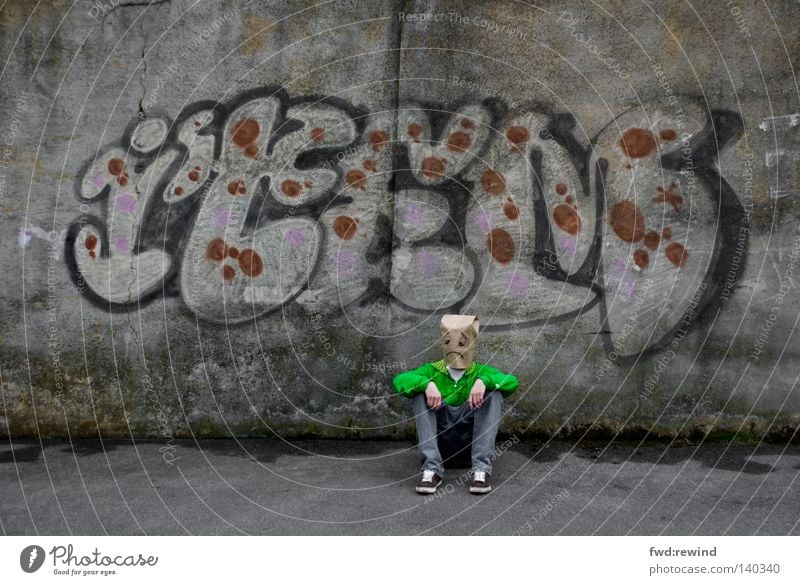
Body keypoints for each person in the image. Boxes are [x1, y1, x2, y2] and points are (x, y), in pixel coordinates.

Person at [392, 315, 519, 495]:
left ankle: (481, 471)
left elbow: (512, 381)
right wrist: (427, 385)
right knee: (419, 395)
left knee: (494, 393)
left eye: (462, 343)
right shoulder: (430, 370)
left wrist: (484, 381)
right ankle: (431, 471)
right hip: (440, 450)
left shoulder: (481, 371)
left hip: (470, 449)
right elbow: (399, 380)